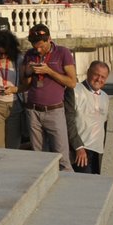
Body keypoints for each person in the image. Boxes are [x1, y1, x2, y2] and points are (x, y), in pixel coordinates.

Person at [20, 23, 77, 170]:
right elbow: (24, 85)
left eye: (41, 46)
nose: (38, 50)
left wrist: (49, 71)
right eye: (35, 46)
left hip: (54, 110)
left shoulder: (63, 52)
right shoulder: (29, 54)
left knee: (62, 157)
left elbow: (72, 82)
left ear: (49, 39)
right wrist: (27, 72)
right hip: (33, 110)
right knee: (38, 157)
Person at [65, 60, 111, 174]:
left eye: (103, 77)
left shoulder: (105, 97)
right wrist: (78, 147)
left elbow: (103, 125)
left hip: (97, 150)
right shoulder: (74, 90)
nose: (99, 79)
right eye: (96, 74)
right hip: (80, 149)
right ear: (88, 72)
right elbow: (68, 121)